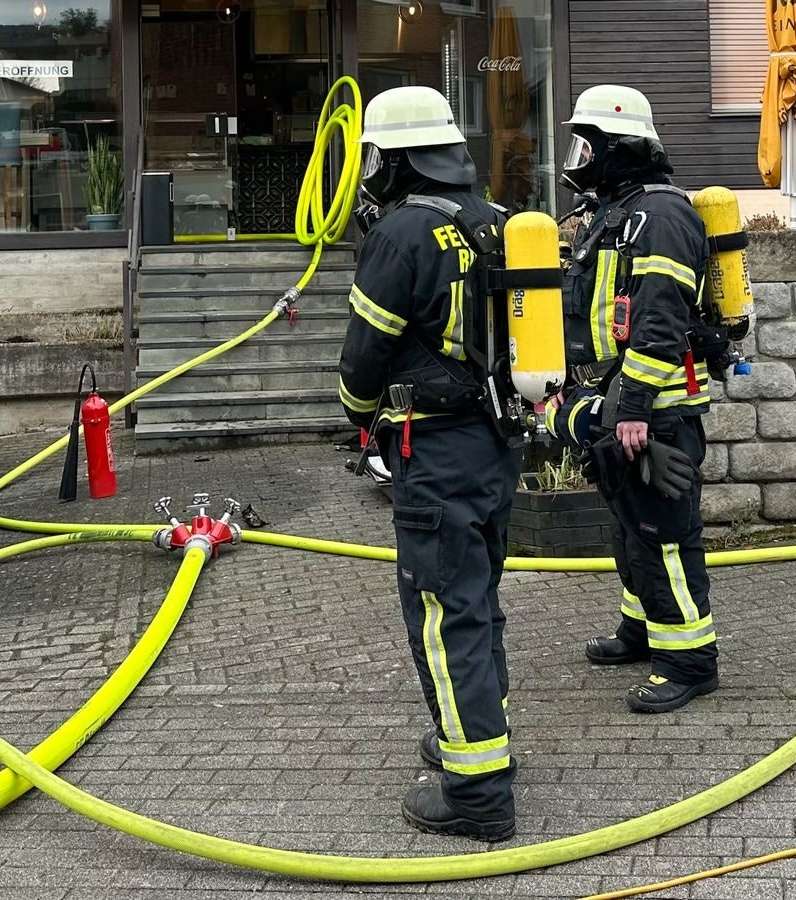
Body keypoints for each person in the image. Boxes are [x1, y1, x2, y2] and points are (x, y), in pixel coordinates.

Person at [337, 85, 520, 842]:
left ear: (396, 157)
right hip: (495, 446)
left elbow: (364, 353)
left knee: (446, 615)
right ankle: (481, 741)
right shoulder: (501, 222)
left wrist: (355, 417)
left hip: (434, 450)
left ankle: (477, 792)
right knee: (480, 600)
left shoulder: (404, 231)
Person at [549, 84, 719, 714]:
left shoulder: (661, 216)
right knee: (630, 528)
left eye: (585, 143)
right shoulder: (618, 213)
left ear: (618, 148)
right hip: (622, 405)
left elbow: (659, 321)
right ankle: (644, 630)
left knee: (663, 534)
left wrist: (635, 409)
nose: (578, 156)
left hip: (655, 412)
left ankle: (690, 661)